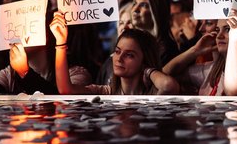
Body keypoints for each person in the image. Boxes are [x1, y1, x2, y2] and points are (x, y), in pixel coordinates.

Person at [49, 11, 179, 95]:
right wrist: (60, 42)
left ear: (144, 60)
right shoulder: (107, 92)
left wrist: (147, 70)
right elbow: (66, 90)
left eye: (129, 55)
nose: (119, 58)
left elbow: (168, 85)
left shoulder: (153, 93)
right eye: (117, 51)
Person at [163, 11, 237, 95]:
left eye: (228, 30)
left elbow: (233, 91)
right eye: (217, 30)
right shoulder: (212, 70)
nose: (219, 36)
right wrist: (195, 50)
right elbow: (166, 73)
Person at [131, 0, 180, 66]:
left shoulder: (167, 51)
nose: (135, 9)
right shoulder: (136, 44)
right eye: (135, 4)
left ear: (157, 11)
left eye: (144, 5)